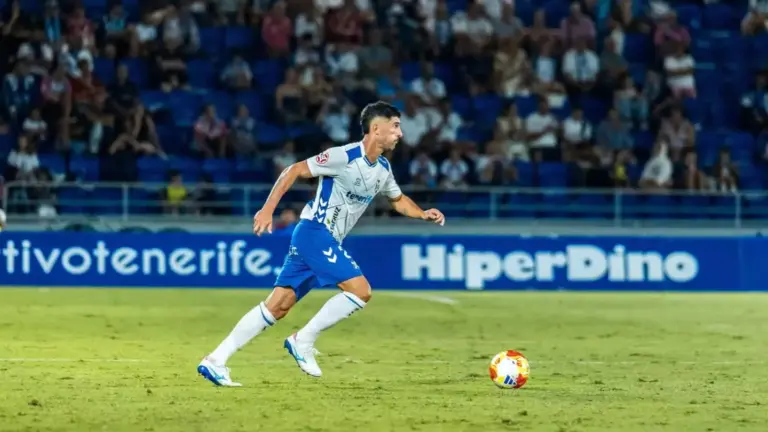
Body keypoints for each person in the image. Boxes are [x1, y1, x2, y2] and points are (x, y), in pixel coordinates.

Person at [197, 101, 446, 386]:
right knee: (361, 290)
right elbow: (292, 171)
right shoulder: (343, 156)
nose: (400, 133)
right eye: (396, 126)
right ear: (376, 129)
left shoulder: (383, 168)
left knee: (277, 307)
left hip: (321, 239)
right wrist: (267, 210)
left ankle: (215, 360)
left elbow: (398, 200)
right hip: (314, 232)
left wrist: (422, 213)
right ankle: (303, 339)